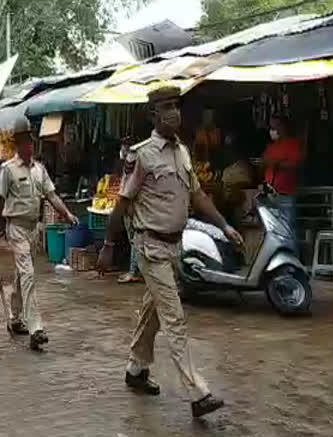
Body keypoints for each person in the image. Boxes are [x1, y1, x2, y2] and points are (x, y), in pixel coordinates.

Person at [96, 85, 243, 418]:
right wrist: (108, 245)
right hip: (150, 246)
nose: (174, 112)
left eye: (176, 106)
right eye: (166, 107)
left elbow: (198, 196)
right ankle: (197, 393)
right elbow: (123, 201)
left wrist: (224, 225)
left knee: (155, 309)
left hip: (175, 246)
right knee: (174, 316)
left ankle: (135, 370)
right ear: (154, 115)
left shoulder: (183, 152)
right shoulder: (142, 155)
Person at [0, 115, 78, 351]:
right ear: (17, 144)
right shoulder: (7, 170)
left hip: (33, 228)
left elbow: (52, 196)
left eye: (31, 140)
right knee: (28, 274)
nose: (29, 144)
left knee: (22, 275)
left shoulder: (40, 170)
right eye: (24, 141)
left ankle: (16, 316)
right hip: (15, 227)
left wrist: (67, 214)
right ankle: (35, 327)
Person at [262, 116, 303, 232]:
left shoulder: (293, 144)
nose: (272, 130)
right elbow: (264, 160)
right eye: (271, 127)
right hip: (270, 195)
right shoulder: (272, 146)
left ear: (283, 127)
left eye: (275, 126)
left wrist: (276, 163)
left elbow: (295, 164)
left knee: (287, 229)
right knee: (272, 230)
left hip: (285, 195)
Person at [117, 137, 143, 285]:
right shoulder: (128, 169)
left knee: (134, 240)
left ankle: (134, 272)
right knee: (133, 240)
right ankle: (135, 271)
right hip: (129, 208)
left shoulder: (133, 169)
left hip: (132, 208)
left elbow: (130, 191)